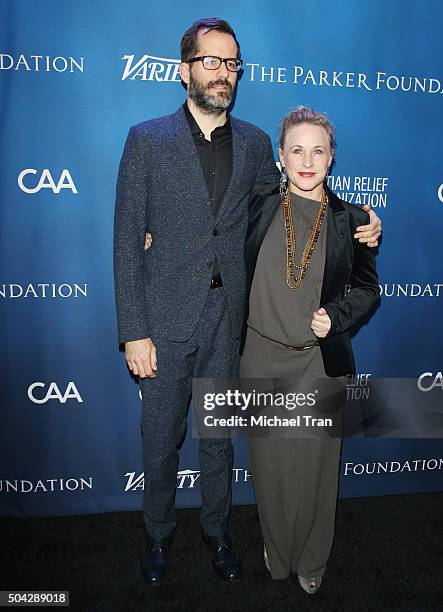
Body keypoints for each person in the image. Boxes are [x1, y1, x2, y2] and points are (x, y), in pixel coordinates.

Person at [114, 17, 382, 586]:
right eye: (210, 62)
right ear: (184, 69)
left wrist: (362, 221)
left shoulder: (261, 144)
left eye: (231, 63)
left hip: (228, 324)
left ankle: (218, 533)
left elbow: (300, 198)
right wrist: (133, 331)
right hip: (161, 323)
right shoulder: (146, 139)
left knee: (218, 443)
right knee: (160, 442)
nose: (222, 73)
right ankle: (158, 536)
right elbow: (124, 243)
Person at [240, 106, 380, 594]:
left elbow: (367, 289)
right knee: (270, 468)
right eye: (296, 149)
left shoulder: (353, 220)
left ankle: (313, 558)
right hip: (260, 356)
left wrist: (337, 317)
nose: (306, 160)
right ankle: (277, 552)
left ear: (331, 158)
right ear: (280, 156)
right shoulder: (255, 203)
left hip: (319, 363)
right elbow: (205, 231)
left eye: (317, 150)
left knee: (319, 471)